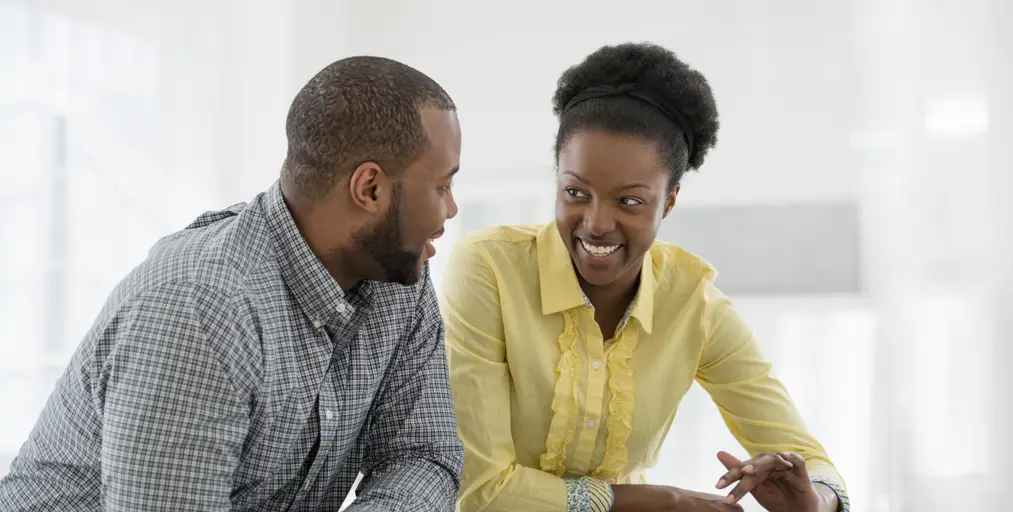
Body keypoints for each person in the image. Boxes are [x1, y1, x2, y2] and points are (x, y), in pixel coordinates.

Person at [0, 56, 464, 511]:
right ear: (370, 189)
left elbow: (424, 457)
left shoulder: (398, 274)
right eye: (441, 187)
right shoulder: (200, 305)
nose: (451, 211)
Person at [442, 43, 850, 512]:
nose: (596, 223)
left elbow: (812, 462)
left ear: (669, 202)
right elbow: (482, 491)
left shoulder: (694, 304)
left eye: (629, 201)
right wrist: (665, 500)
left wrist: (814, 502)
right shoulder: (488, 268)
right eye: (576, 192)